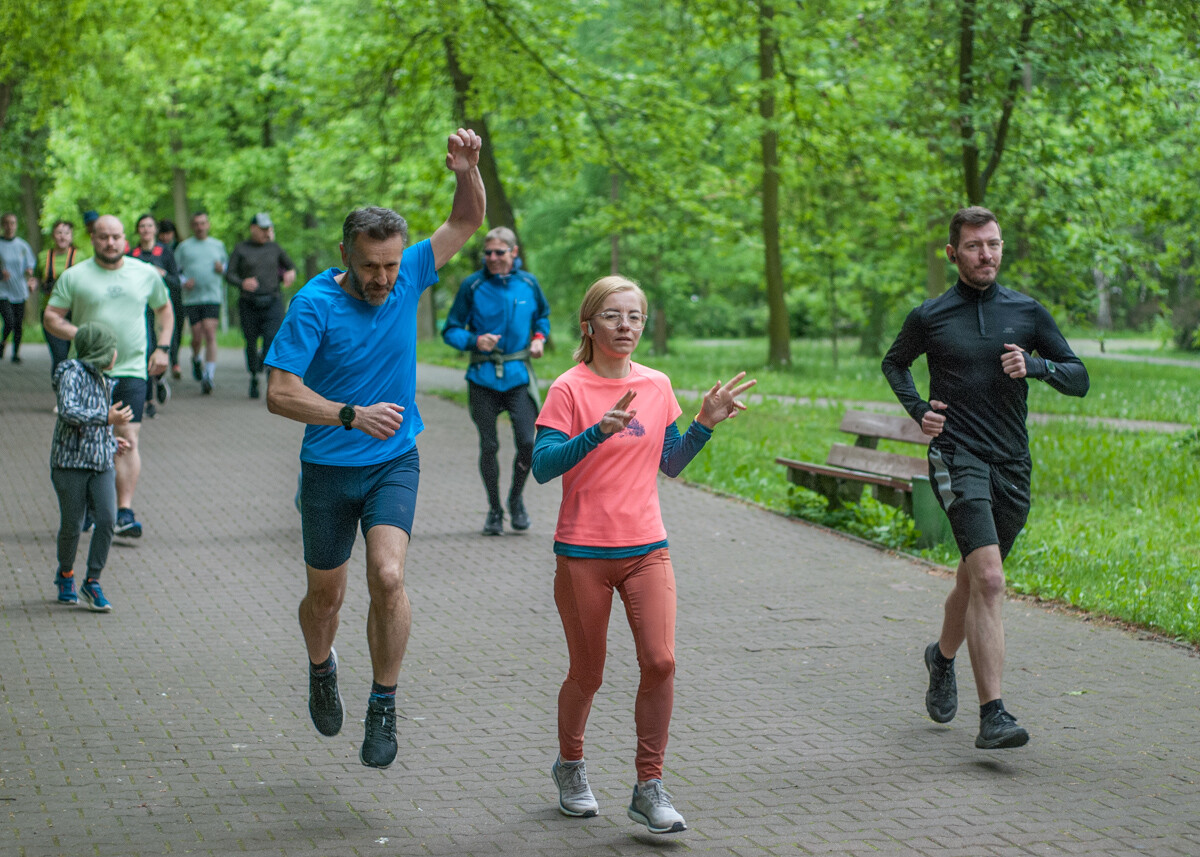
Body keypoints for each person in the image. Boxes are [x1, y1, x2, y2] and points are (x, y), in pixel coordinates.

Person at [263, 129, 485, 770]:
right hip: (328, 468)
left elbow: (465, 220)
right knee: (325, 601)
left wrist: (467, 171)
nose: (383, 278)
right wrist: (349, 415)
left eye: (390, 265)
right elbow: (280, 393)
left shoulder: (410, 271)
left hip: (394, 460)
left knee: (388, 576)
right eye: (370, 267)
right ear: (346, 255)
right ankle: (321, 666)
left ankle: (383, 701)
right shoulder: (314, 304)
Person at [531, 275, 755, 834]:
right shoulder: (568, 388)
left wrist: (704, 423)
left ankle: (649, 785)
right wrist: (596, 433)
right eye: (612, 315)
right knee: (588, 673)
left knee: (661, 661)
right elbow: (542, 465)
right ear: (589, 325)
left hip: (646, 549)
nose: (625, 326)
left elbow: (670, 461)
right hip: (582, 552)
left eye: (634, 316)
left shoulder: (656, 385)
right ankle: (570, 766)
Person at [881, 206, 1090, 750]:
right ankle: (993, 714)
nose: (986, 255)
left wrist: (1037, 366)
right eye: (974, 246)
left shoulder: (1027, 312)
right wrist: (918, 409)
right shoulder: (930, 316)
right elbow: (895, 363)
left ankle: (941, 656)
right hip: (957, 456)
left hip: (1012, 463)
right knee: (991, 579)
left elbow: (1079, 377)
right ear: (954, 253)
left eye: (993, 244)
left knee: (974, 579)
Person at [45, 214, 173, 540]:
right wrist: (82, 335)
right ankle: (91, 506)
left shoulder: (144, 273)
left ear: (125, 239)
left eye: (116, 236)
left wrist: (163, 348)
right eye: (103, 237)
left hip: (131, 369)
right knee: (87, 437)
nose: (111, 242)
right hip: (88, 372)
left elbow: (164, 309)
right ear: (93, 239)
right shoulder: (75, 276)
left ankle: (123, 512)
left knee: (127, 437)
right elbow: (51, 316)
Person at [442, 227, 550, 535]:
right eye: (487, 252)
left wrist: (539, 338)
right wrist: (475, 341)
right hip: (482, 377)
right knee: (489, 445)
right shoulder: (472, 285)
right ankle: (494, 511)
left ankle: (516, 500)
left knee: (528, 443)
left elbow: (543, 317)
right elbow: (450, 330)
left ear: (513, 252)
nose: (492, 258)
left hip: (518, 376)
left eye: (499, 252)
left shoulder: (528, 283)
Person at [49, 321, 133, 612]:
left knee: (108, 519)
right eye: (112, 348)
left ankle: (92, 581)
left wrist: (111, 442)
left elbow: (97, 422)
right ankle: (66, 574)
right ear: (99, 350)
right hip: (70, 463)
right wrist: (106, 419)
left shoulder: (103, 378)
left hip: (101, 463)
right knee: (72, 525)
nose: (115, 354)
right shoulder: (70, 373)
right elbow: (69, 411)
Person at [226, 212, 296, 399]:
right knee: (250, 342)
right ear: (253, 229)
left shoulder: (275, 248)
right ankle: (254, 376)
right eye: (263, 229)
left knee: (271, 340)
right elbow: (229, 274)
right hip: (249, 303)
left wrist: (290, 273)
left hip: (272, 301)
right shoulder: (241, 249)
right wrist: (242, 282)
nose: (266, 232)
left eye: (269, 229)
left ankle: (268, 375)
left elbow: (290, 266)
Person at [129, 214, 183, 399]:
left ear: (155, 230)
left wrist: (162, 274)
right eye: (142, 226)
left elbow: (176, 282)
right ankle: (148, 398)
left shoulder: (166, 253)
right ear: (138, 230)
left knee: (159, 347)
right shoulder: (132, 255)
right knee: (145, 348)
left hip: (161, 309)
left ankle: (159, 379)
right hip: (140, 310)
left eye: (149, 226)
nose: (146, 229)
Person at [175, 212, 228, 394]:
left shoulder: (218, 245)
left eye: (203, 223)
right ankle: (196, 358)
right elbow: (176, 270)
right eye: (196, 224)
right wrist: (183, 282)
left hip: (212, 296)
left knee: (210, 333)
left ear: (208, 225)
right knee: (197, 336)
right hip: (192, 298)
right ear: (192, 226)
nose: (200, 227)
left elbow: (227, 266)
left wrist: (222, 268)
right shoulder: (184, 247)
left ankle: (209, 376)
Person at [38, 220, 88, 378]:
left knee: (75, 355)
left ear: (71, 236)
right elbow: (37, 279)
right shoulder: (43, 257)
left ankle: (74, 387)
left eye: (66, 233)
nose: (62, 236)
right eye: (59, 232)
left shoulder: (80, 257)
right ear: (53, 235)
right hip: (52, 312)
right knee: (59, 356)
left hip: (75, 312)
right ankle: (60, 388)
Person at [0, 212, 38, 364]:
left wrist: (30, 275)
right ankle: (3, 343)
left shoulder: (22, 246)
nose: (10, 226)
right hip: (2, 290)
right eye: (6, 223)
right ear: (2, 225)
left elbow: (30, 266)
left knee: (18, 324)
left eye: (12, 223)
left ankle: (15, 353)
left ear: (16, 225)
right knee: (9, 321)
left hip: (19, 290)